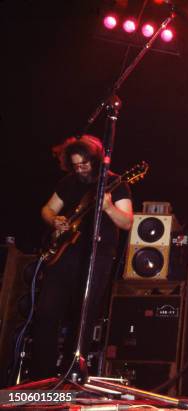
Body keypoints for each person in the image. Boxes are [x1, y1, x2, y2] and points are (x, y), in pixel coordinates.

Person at [29, 135, 133, 380]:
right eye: (75, 165)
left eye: (84, 164)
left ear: (95, 160)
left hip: (96, 257)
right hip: (64, 256)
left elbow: (127, 221)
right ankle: (40, 379)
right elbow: (47, 209)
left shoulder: (115, 183)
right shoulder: (69, 183)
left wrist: (108, 208)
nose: (80, 169)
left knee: (83, 318)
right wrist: (55, 220)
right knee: (46, 313)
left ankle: (71, 377)